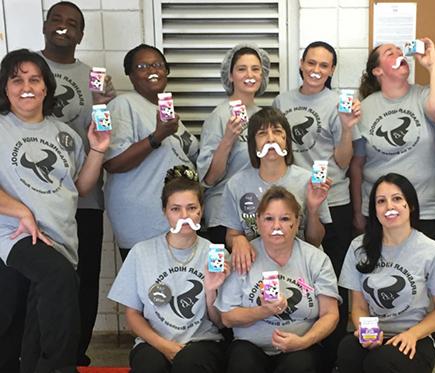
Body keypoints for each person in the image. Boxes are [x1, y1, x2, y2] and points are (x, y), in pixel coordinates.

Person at [0, 49, 110, 373]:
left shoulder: (64, 134)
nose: (26, 86)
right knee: (58, 279)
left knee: (36, 323)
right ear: (5, 88)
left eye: (34, 79)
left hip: (59, 236)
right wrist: (20, 210)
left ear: (46, 87)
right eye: (16, 80)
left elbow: (81, 186)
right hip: (16, 234)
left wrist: (98, 150)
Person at [272, 41, 361, 370]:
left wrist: (347, 128)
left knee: (334, 280)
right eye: (312, 62)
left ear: (332, 70)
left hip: (333, 200)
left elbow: (342, 160)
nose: (316, 69)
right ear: (301, 63)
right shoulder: (283, 100)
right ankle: (295, 347)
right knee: (296, 276)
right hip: (292, 200)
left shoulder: (339, 101)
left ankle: (333, 356)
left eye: (324, 65)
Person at [40, 1, 117, 364]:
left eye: (72, 23)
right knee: (37, 276)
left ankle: (76, 353)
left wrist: (103, 104)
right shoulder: (27, 69)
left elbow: (98, 134)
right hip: (36, 196)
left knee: (84, 278)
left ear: (81, 34)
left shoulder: (92, 76)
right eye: (57, 19)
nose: (63, 27)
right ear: (45, 25)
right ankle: (38, 352)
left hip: (85, 195)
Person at [108, 165, 229, 373]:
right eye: (176, 209)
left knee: (188, 364)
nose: (184, 216)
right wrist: (165, 346)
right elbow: (132, 314)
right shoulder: (141, 252)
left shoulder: (215, 254)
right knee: (149, 366)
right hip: (153, 343)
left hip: (202, 342)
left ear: (201, 210)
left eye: (191, 208)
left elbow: (220, 323)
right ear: (165, 212)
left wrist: (210, 290)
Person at [337, 173, 435, 373]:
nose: (389, 207)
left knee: (380, 361)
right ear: (374, 210)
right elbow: (358, 307)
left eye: (397, 199)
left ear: (410, 205)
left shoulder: (432, 251)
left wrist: (413, 334)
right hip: (376, 334)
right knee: (348, 349)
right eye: (381, 201)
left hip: (415, 338)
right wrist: (367, 331)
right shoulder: (358, 248)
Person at [215, 186, 340, 373]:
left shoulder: (316, 259)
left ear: (297, 223)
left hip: (301, 346)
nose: (276, 226)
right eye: (269, 219)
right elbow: (227, 318)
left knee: (299, 366)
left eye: (285, 219)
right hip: (249, 347)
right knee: (243, 364)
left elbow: (331, 314)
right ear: (258, 221)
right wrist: (263, 311)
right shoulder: (242, 256)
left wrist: (303, 342)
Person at [350, 38, 435, 242]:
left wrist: (432, 65)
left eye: (400, 51)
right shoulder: (364, 108)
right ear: (377, 71)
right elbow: (357, 165)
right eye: (390, 53)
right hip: (380, 211)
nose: (400, 55)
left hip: (426, 209)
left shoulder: (423, 96)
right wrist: (357, 212)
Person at [104, 44, 198, 261]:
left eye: (157, 65)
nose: (152, 70)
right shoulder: (123, 104)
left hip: (175, 220)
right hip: (144, 222)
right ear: (130, 75)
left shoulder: (167, 111)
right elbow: (113, 162)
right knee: (151, 290)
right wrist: (156, 137)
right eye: (142, 66)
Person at [219, 107, 332, 274]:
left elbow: (314, 241)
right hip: (255, 269)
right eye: (262, 133)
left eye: (277, 132)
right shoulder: (236, 184)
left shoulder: (308, 181)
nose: (271, 139)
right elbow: (231, 236)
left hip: (301, 269)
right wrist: (238, 240)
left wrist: (314, 209)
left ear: (286, 140)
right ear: (253, 143)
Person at [197, 43, 270, 245]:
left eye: (256, 69)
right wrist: (228, 138)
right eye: (241, 69)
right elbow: (209, 179)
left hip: (256, 208)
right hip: (224, 211)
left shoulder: (264, 117)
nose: (250, 74)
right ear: (230, 76)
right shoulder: (219, 117)